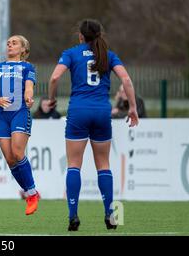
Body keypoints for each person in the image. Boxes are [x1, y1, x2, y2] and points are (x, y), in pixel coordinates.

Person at [48, 19, 139, 231]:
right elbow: (126, 81)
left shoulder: (71, 53)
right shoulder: (108, 55)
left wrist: (52, 99)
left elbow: (54, 78)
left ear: (80, 36)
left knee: (73, 164)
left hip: (78, 111)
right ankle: (109, 214)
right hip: (101, 112)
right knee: (103, 164)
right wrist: (132, 107)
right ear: (100, 35)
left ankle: (73, 216)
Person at [0, 35, 40, 215]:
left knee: (17, 153)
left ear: (23, 49)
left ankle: (31, 194)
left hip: (19, 112)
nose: (9, 44)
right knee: (10, 159)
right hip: (1, 115)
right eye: (8, 42)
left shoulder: (27, 67)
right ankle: (32, 192)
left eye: (14, 42)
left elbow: (29, 86)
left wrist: (29, 96)